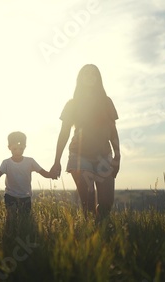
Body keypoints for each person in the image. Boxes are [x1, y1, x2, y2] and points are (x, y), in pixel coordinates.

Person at [50, 64, 120, 222]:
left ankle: (100, 230)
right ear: (80, 79)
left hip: (104, 156)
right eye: (86, 73)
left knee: (106, 204)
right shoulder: (72, 104)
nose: (89, 76)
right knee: (88, 201)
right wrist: (56, 161)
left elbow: (113, 130)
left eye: (93, 73)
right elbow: (64, 133)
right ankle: (89, 237)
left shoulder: (106, 102)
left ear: (98, 78)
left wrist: (117, 155)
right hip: (79, 157)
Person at [0, 131, 53, 235]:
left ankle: (23, 236)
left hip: (26, 196)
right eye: (15, 149)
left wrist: (53, 173)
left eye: (21, 149)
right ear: (9, 147)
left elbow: (44, 173)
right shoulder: (6, 163)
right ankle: (10, 236)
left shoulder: (30, 161)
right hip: (10, 195)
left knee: (24, 219)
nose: (18, 151)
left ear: (25, 147)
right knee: (11, 218)